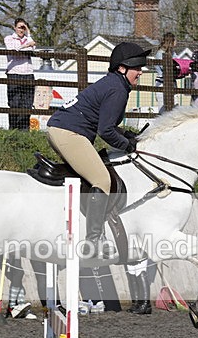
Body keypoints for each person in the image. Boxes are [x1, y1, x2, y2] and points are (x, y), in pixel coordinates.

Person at [46, 42, 149, 258]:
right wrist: (126, 145)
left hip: (64, 128)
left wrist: (125, 135)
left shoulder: (114, 84)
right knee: (103, 180)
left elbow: (107, 124)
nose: (140, 71)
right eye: (137, 67)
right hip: (69, 132)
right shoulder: (118, 89)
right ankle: (93, 241)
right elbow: (105, 131)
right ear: (122, 68)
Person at [4, 18, 37, 130]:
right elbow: (12, 49)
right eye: (20, 27)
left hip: (28, 74)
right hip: (14, 73)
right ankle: (13, 130)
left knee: (27, 103)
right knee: (14, 103)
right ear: (15, 28)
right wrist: (26, 46)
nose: (21, 30)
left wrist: (29, 34)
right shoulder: (9, 38)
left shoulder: (28, 39)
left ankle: (24, 131)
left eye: (24, 27)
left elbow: (33, 49)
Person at [154, 32, 176, 112]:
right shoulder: (160, 53)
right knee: (163, 107)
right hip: (161, 83)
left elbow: (177, 62)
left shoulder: (173, 53)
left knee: (175, 106)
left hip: (172, 82)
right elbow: (164, 68)